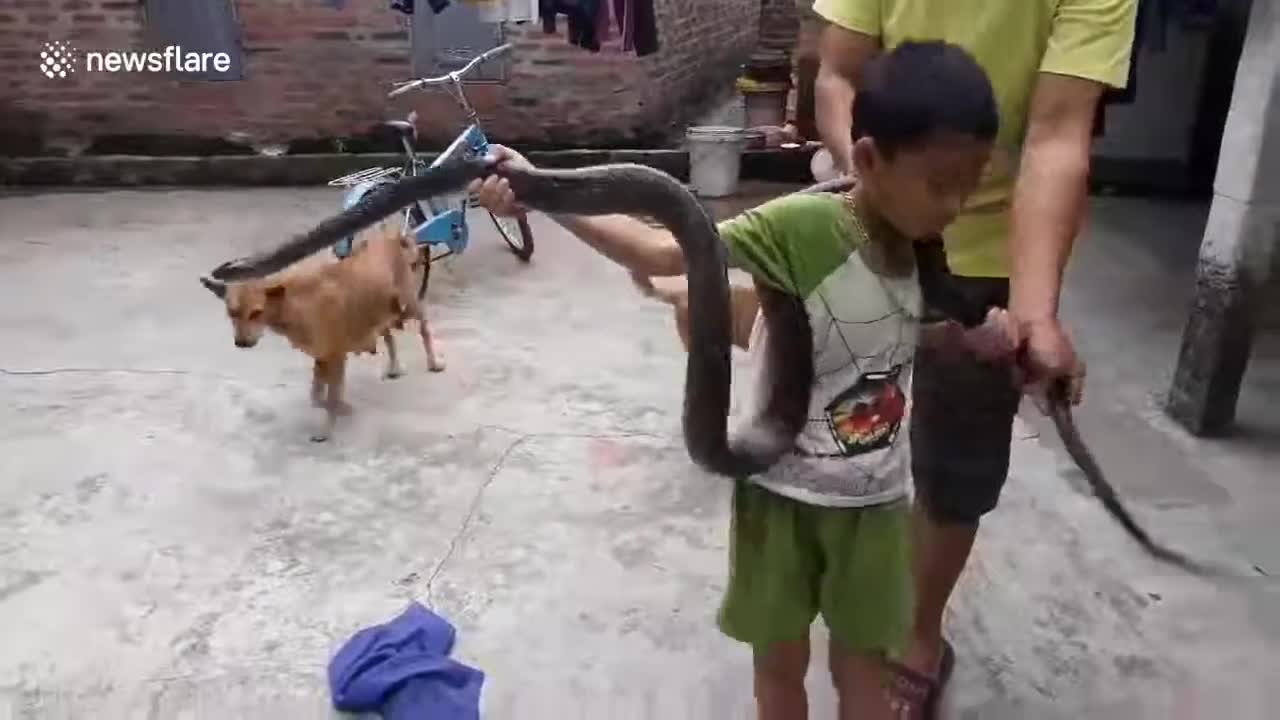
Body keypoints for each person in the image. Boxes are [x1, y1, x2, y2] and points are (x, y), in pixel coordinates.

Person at [471, 41, 1015, 720]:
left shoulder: (924, 247)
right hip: (779, 504)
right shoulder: (802, 227)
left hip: (874, 510)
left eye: (971, 183)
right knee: (779, 678)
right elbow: (663, 248)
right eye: (942, 183)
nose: (957, 204)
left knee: (864, 680)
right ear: (869, 160)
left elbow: (902, 332)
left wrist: (975, 336)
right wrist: (539, 190)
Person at [811, 0, 1136, 713]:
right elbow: (838, 75)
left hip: (993, 250)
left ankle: (920, 632)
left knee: (956, 463)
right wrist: (879, 194)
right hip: (875, 221)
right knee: (848, 429)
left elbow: (1055, 135)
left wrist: (1034, 310)